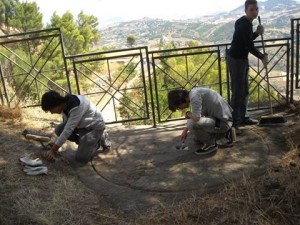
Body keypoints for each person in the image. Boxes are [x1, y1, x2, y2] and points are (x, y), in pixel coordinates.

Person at [227, 0, 268, 135]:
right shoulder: (245, 25)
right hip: (236, 60)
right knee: (238, 92)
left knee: (244, 91)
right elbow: (249, 46)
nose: (255, 12)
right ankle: (234, 123)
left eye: (256, 9)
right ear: (246, 10)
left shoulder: (243, 22)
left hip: (240, 59)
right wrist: (262, 56)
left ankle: (243, 117)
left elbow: (246, 40)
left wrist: (256, 32)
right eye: (252, 10)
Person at [41, 90, 111, 163]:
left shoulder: (76, 106)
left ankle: (98, 141)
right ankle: (84, 144)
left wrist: (53, 150)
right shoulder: (65, 105)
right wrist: (56, 144)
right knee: (59, 129)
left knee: (81, 158)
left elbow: (68, 131)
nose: (51, 113)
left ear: (56, 104)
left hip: (94, 127)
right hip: (82, 125)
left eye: (50, 110)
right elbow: (67, 127)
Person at [168, 87, 233, 156]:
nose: (180, 109)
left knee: (192, 124)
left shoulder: (194, 97)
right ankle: (222, 135)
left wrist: (188, 114)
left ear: (181, 101)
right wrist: (185, 129)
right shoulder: (194, 93)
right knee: (196, 137)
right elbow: (199, 115)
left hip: (224, 122)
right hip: (219, 120)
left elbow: (196, 119)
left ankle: (211, 144)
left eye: (178, 107)